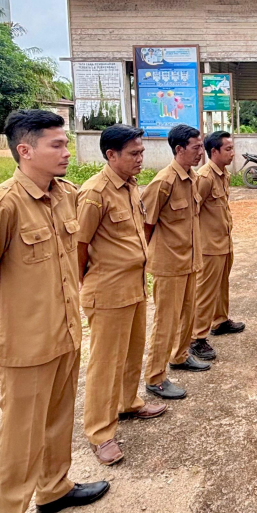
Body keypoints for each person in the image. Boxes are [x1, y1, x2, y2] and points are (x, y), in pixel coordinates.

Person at [0, 109, 110, 513]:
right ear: (25, 151)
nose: (67, 152)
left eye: (66, 144)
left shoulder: (66, 195)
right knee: (18, 443)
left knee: (57, 419)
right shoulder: (1, 205)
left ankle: (54, 490)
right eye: (56, 145)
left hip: (65, 333)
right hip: (25, 346)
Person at [76, 125, 167, 466]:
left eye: (141, 152)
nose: (140, 159)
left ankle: (128, 402)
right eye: (133, 154)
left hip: (133, 286)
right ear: (111, 155)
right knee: (104, 363)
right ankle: (100, 432)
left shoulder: (129, 187)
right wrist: (87, 283)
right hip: (108, 290)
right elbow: (79, 246)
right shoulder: (94, 193)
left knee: (132, 351)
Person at [142, 123, 208, 400]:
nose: (201, 152)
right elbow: (145, 224)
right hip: (169, 265)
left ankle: (180, 356)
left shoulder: (191, 178)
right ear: (179, 149)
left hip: (191, 260)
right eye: (196, 147)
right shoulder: (163, 182)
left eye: (202, 146)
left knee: (188, 314)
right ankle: (155, 377)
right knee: (165, 321)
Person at [190, 130, 245, 362]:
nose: (233, 153)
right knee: (205, 291)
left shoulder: (223, 175)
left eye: (233, 148)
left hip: (224, 241)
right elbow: (193, 211)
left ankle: (220, 321)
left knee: (222, 284)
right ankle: (196, 338)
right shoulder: (204, 177)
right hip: (209, 245)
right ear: (214, 151)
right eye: (228, 149)